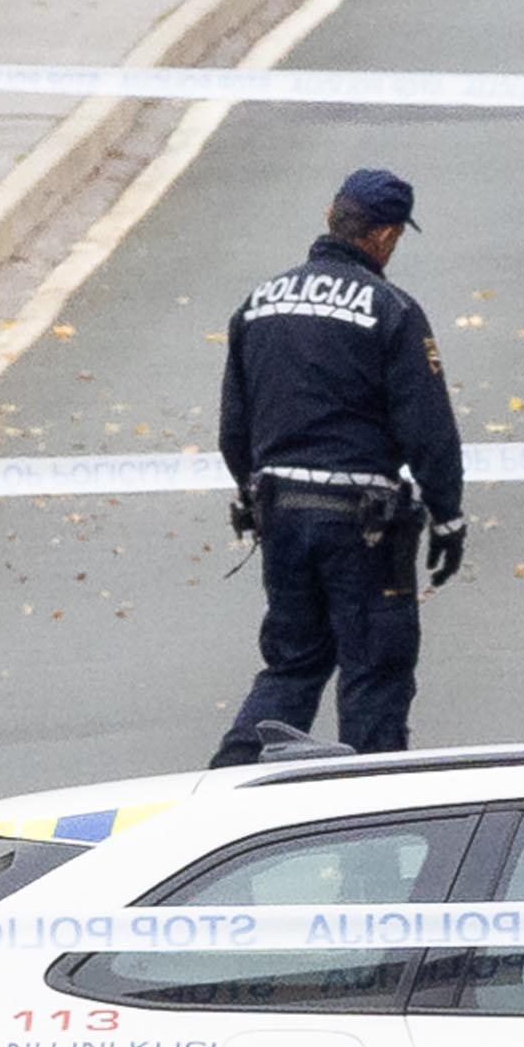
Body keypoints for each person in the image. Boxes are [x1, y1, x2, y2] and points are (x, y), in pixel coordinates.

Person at [212, 167, 466, 765]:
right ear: (382, 237)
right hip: (364, 527)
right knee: (375, 674)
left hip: (282, 512)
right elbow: (426, 427)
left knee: (293, 662)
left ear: (332, 213)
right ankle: (369, 818)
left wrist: (259, 496)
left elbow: (233, 428)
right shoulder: (391, 310)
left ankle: (228, 787)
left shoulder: (259, 302)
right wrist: (448, 516)